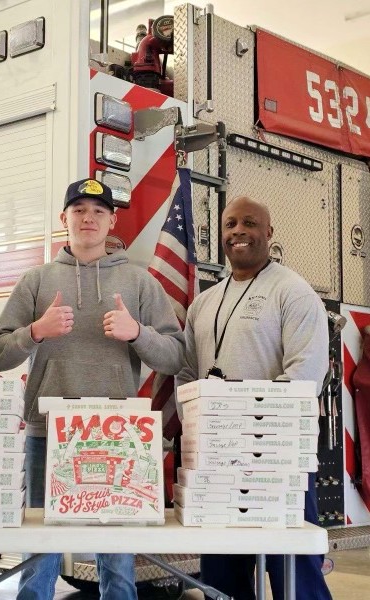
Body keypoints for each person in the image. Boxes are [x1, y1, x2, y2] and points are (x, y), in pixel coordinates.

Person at [0, 178, 185, 600]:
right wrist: (36, 332)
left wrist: (137, 334)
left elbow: (174, 356)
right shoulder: (36, 281)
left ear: (112, 220)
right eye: (79, 210)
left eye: (98, 211)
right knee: (39, 555)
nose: (88, 218)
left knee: (117, 561)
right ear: (64, 219)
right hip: (48, 432)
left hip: (118, 437)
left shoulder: (139, 282)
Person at [177, 196, 332, 600]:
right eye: (230, 225)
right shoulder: (203, 303)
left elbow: (305, 375)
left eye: (249, 223)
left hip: (277, 458)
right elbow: (188, 374)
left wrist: (248, 422)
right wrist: (198, 425)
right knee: (221, 575)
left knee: (293, 572)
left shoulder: (294, 293)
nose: (238, 232)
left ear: (269, 233)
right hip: (216, 458)